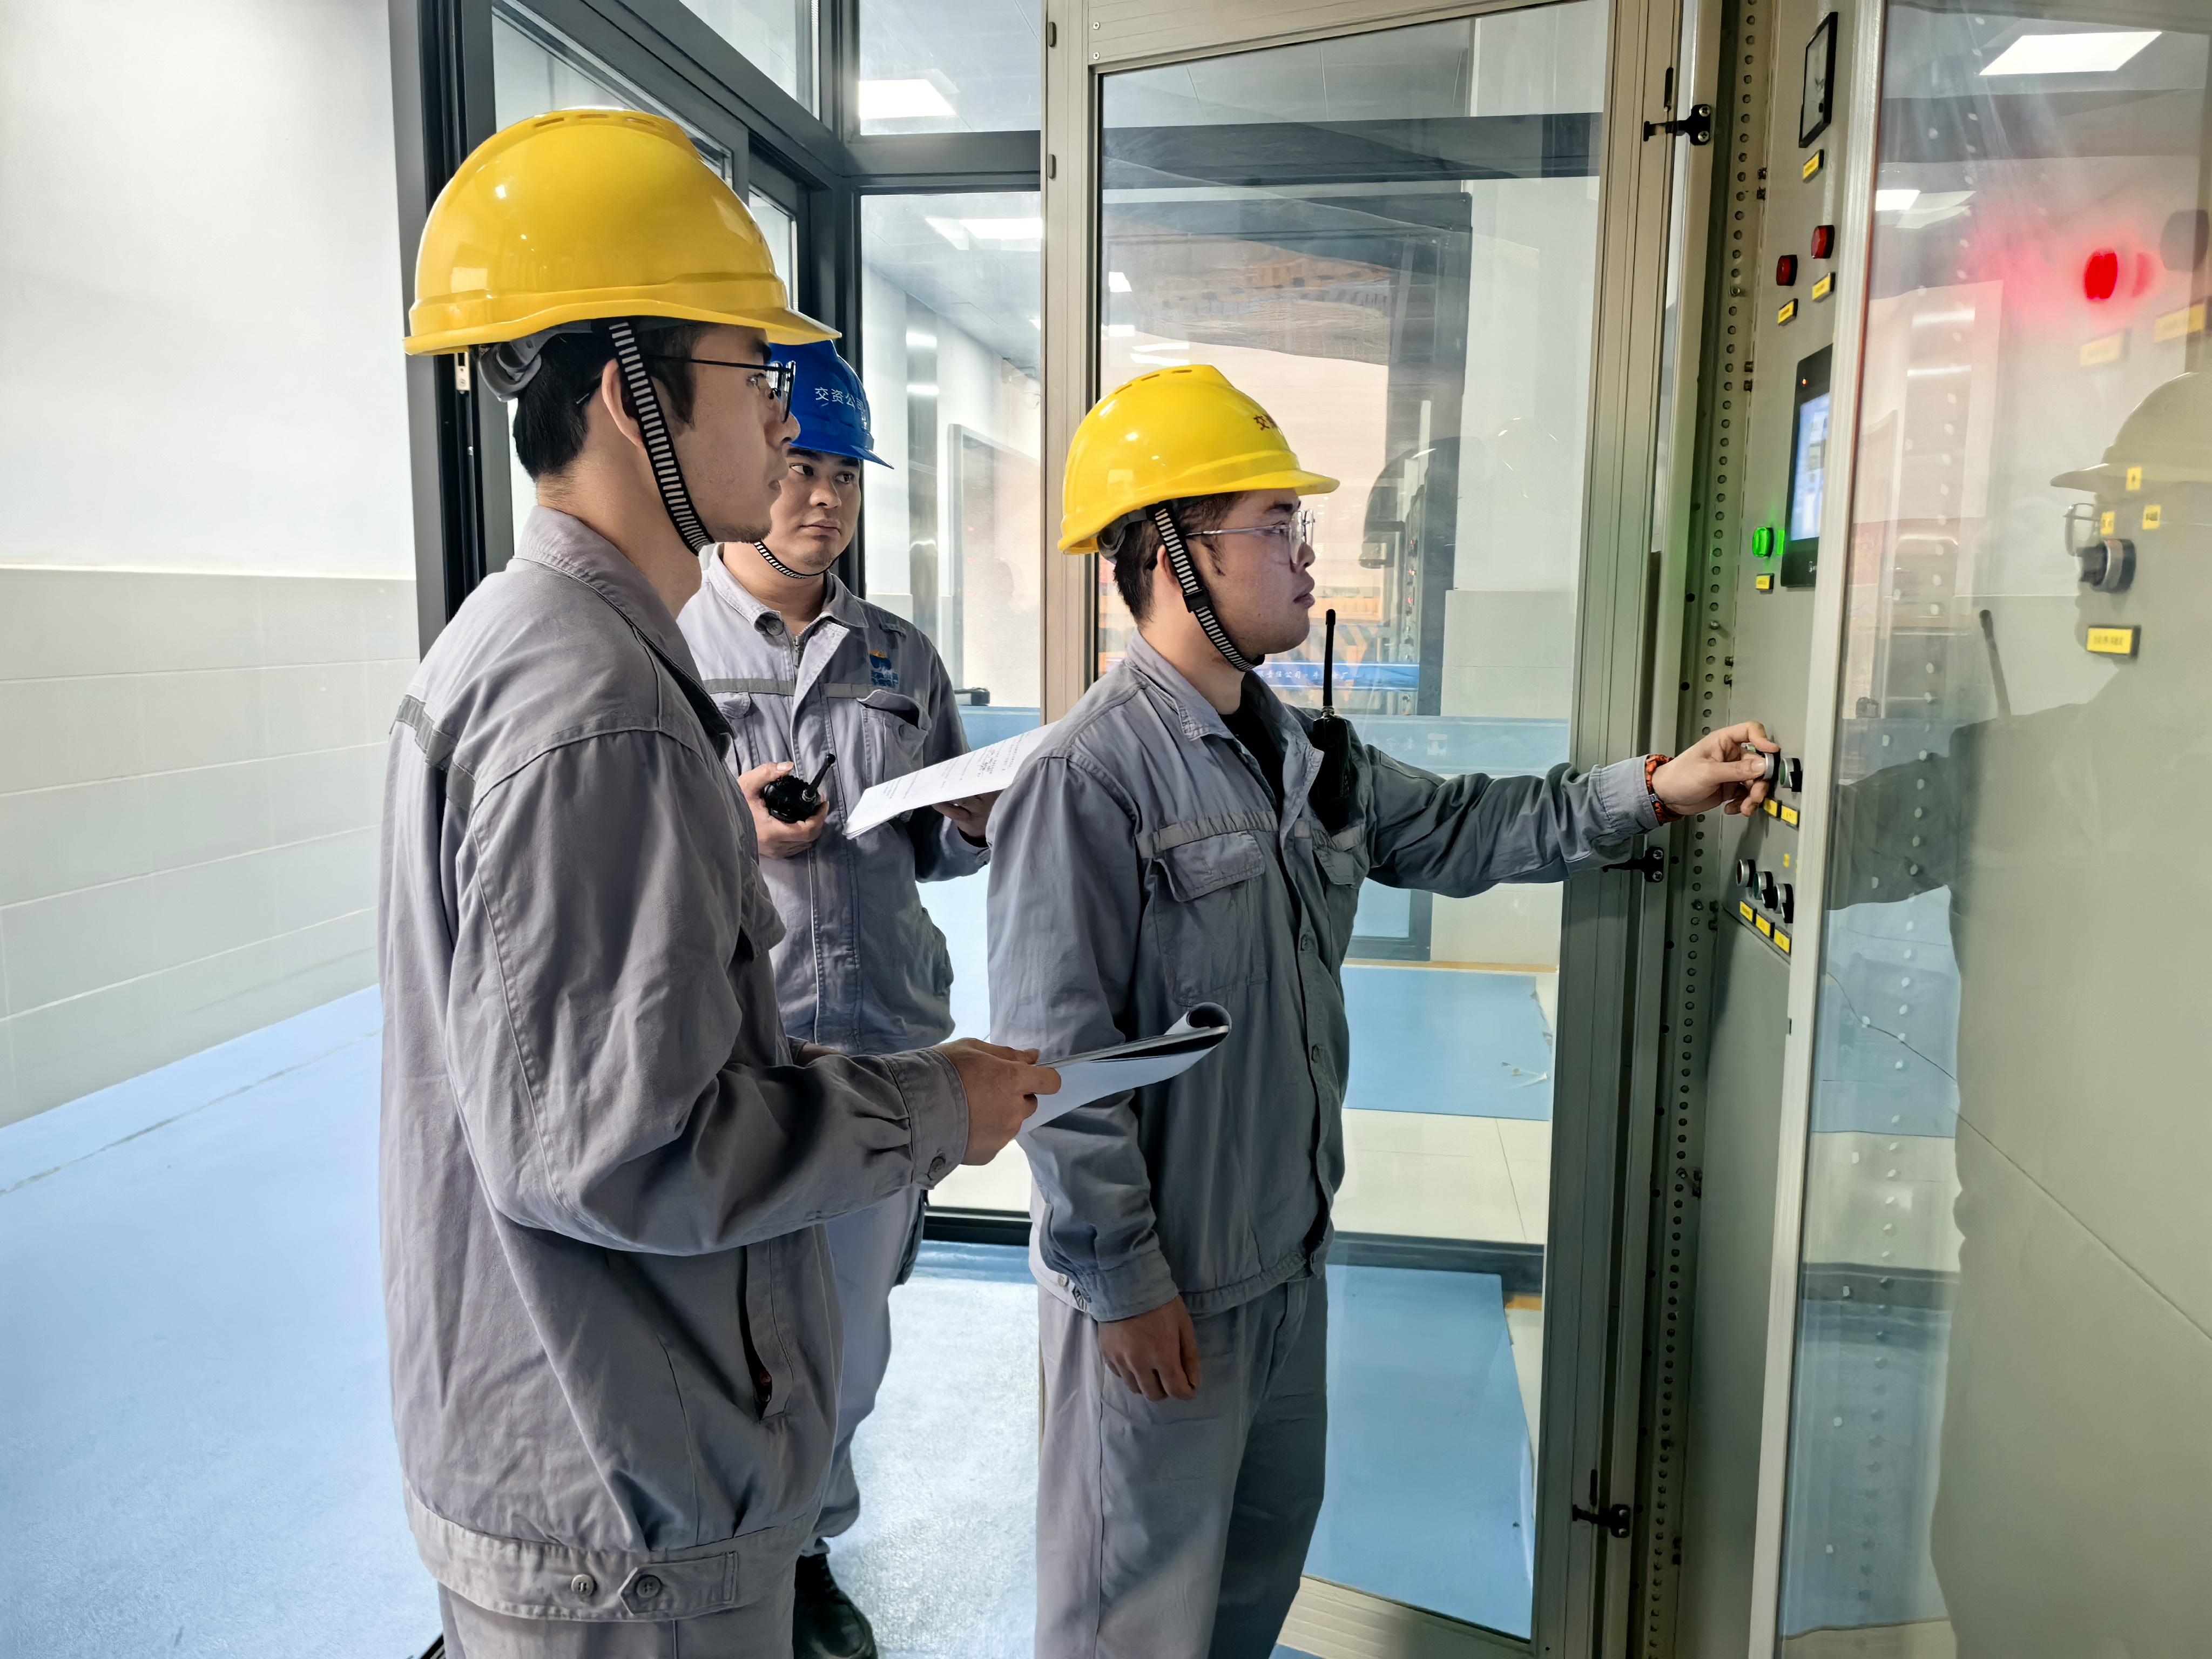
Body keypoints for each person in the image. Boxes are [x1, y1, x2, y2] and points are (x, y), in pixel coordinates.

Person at [380, 109, 1053, 1658]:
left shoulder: (525, 644)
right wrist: (933, 1104)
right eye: (752, 372)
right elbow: (627, 1152)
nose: (778, 415)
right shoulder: (597, 707)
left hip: (589, 1437)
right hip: (622, 1498)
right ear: (637, 398)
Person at [986, 363, 1777, 1658]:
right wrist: (1122, 1285)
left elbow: (1470, 825)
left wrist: (1651, 789)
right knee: (1130, 1614)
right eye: (1275, 527)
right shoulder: (1086, 778)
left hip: (1283, 1267)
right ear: (1175, 556)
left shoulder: (1307, 757)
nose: (1307, 556)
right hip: (1162, 1285)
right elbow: (1052, 1068)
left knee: (1252, 1575)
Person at [678, 340, 995, 1659]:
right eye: (799, 467)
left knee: (851, 1335)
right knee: (725, 1337)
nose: (821, 499)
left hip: (878, 1041)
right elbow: (624, 840)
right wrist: (735, 828)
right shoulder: (667, 640)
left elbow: (940, 846)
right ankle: (722, 1557)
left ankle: (804, 1549)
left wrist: (971, 821)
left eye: (845, 477)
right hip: (737, 1052)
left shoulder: (897, 655)